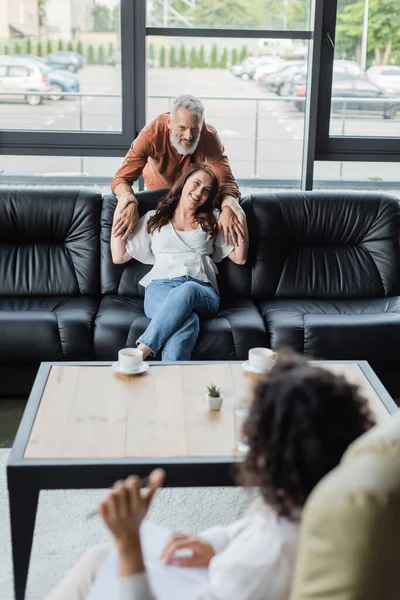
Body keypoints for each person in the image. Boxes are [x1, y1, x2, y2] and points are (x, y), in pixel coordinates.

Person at [45, 351, 375, 600]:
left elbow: (259, 552)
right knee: (100, 556)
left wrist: (129, 540)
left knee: (104, 562)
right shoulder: (320, 501)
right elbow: (259, 523)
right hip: (220, 578)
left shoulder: (262, 562)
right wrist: (213, 544)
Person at [111, 162, 248, 361]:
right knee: (188, 321)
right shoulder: (154, 219)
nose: (199, 192)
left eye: (206, 190)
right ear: (183, 183)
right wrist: (123, 203)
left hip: (202, 291)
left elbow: (240, 256)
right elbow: (119, 256)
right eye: (196, 183)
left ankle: (139, 353)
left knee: (188, 289)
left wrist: (236, 209)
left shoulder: (214, 218)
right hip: (160, 289)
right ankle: (173, 385)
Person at [111, 94, 245, 247]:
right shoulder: (150, 134)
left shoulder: (209, 135)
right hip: (159, 198)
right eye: (182, 128)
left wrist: (228, 204)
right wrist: (129, 201)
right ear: (169, 123)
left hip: (193, 201)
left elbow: (226, 180)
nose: (189, 136)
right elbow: (120, 179)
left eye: (195, 129)